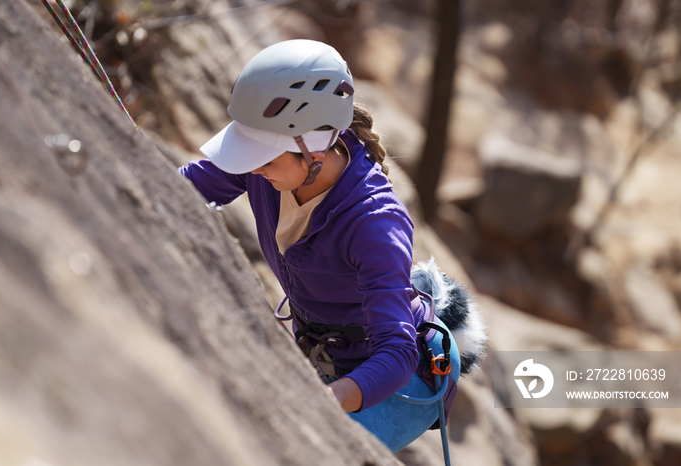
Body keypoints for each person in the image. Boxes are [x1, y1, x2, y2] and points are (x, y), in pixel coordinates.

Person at [178, 39, 486, 452]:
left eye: (264, 158)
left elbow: (395, 354)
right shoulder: (268, 164)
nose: (253, 166)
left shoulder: (373, 223)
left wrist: (326, 404)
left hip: (397, 379)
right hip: (327, 350)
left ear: (315, 148)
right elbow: (187, 185)